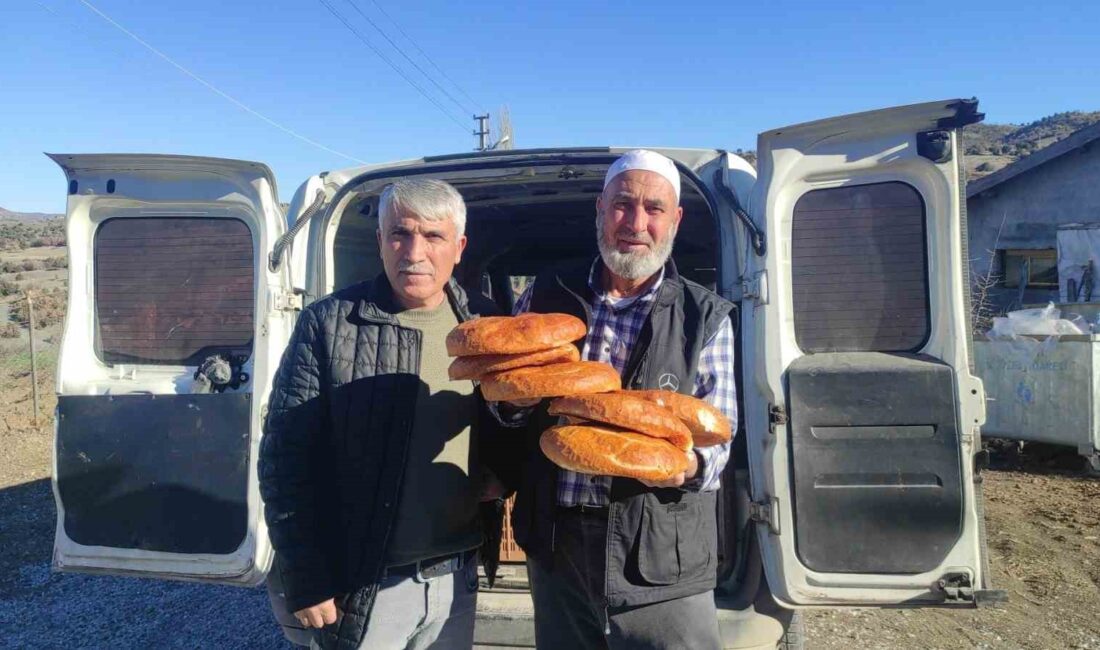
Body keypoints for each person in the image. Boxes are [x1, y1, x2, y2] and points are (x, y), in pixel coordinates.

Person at [497, 150, 737, 649]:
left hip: (660, 559)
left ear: (675, 219)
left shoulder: (704, 316)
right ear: (600, 209)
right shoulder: (544, 296)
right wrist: (515, 401)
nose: (636, 223)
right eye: (623, 204)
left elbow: (718, 440)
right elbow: (507, 404)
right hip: (557, 549)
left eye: (654, 208)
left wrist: (686, 467)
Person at [259, 178, 504, 649]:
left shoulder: (484, 324)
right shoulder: (330, 324)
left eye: (433, 236)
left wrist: (504, 471)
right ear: (379, 240)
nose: (414, 252)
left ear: (459, 247)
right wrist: (305, 575)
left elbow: (506, 425)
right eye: (400, 233)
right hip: (363, 582)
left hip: (457, 576)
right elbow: (285, 459)